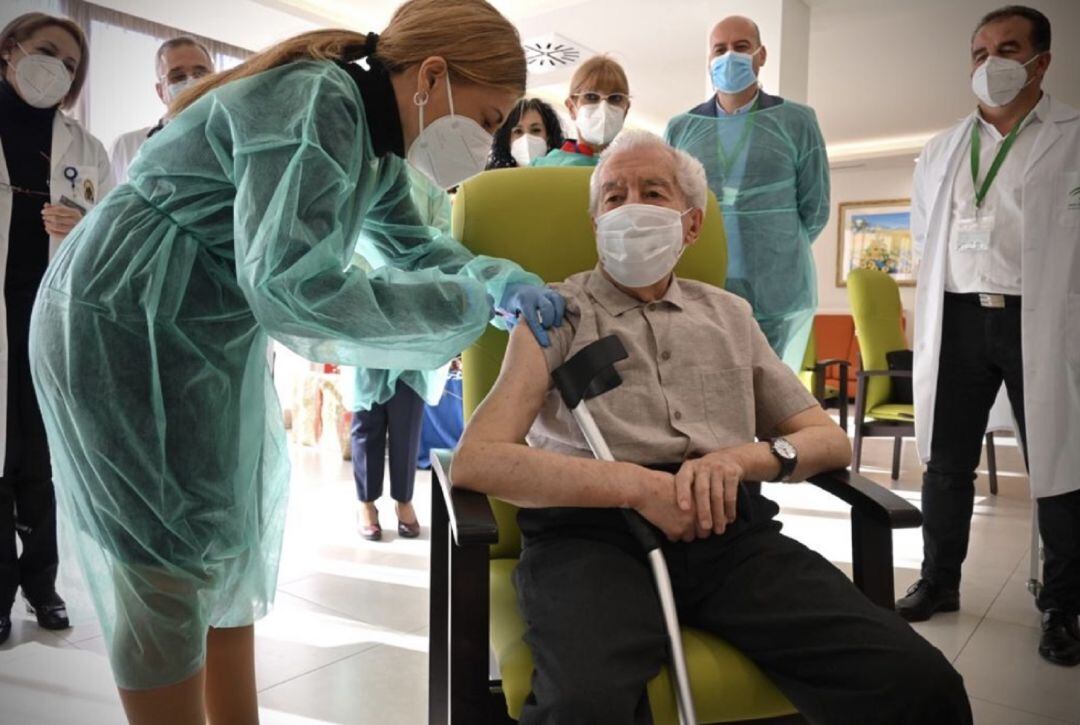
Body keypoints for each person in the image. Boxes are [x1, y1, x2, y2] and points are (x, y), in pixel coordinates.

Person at [28, 0, 564, 722]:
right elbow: (295, 289)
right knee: (163, 567)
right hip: (129, 317)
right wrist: (466, 306)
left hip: (201, 329)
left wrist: (499, 280)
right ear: (432, 75)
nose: (488, 141)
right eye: (491, 118)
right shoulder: (318, 103)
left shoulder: (372, 146)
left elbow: (411, 248)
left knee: (222, 547)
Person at [451, 131, 972, 725]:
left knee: (921, 684)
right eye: (614, 198)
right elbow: (480, 460)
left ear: (691, 225)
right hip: (591, 539)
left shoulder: (730, 315)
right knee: (585, 705)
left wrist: (742, 461)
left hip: (731, 537)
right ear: (596, 224)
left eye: (653, 191)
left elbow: (826, 440)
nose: (631, 207)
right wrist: (639, 487)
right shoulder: (555, 316)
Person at [901, 5, 1080, 668]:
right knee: (947, 461)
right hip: (958, 316)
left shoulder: (1071, 136)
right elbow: (925, 237)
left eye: (1008, 48)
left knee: (1060, 465)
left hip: (1047, 319)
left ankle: (1064, 605)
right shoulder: (943, 147)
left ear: (1043, 61)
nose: (990, 63)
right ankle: (939, 580)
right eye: (979, 52)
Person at [0, 12, 111, 646]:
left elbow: (112, 232)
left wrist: (85, 228)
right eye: (47, 53)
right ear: (10, 50)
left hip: (48, 318)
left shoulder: (85, 148)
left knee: (40, 462)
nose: (59, 70)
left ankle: (42, 584)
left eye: (71, 65)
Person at [664, 15, 829, 371]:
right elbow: (671, 205)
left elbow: (815, 209)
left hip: (775, 289)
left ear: (761, 55)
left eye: (741, 47)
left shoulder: (797, 121)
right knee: (708, 389)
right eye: (720, 49)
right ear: (709, 60)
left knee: (767, 393)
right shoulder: (682, 129)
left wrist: (777, 248)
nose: (729, 57)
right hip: (702, 282)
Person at [109, 36, 214, 186]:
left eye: (200, 74)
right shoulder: (127, 146)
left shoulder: (231, 143)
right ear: (160, 91)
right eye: (178, 76)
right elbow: (108, 207)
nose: (192, 82)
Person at [532, 55, 630, 167]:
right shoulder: (543, 168)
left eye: (615, 98)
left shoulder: (633, 169)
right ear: (571, 108)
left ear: (625, 111)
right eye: (591, 97)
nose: (604, 108)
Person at [486, 97, 565, 169]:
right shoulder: (492, 180)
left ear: (549, 137)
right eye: (518, 131)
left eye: (535, 130)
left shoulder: (564, 175)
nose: (526, 138)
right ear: (507, 140)